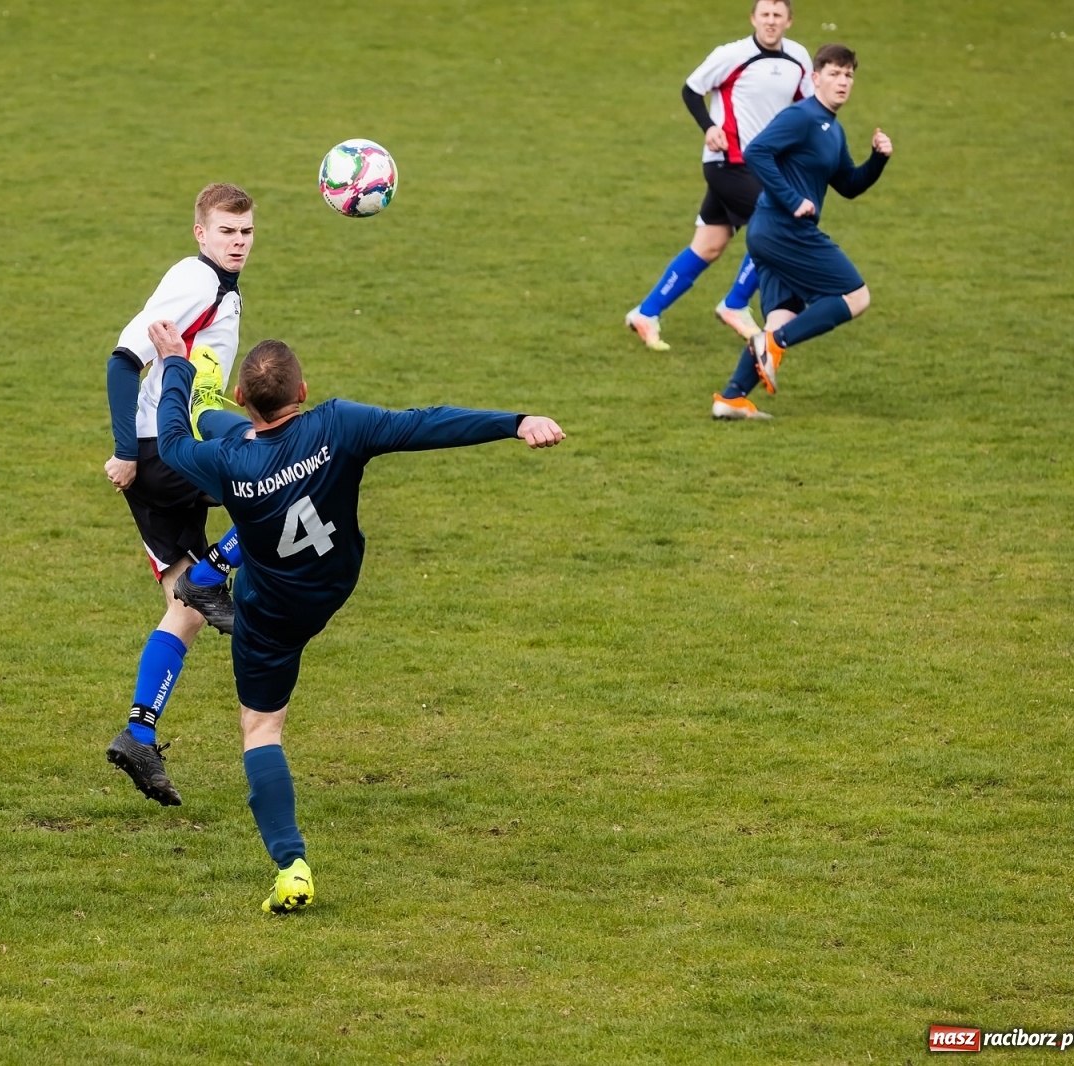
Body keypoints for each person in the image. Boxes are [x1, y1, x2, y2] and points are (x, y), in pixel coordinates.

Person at [149, 322, 565, 913]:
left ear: (247, 397)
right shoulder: (339, 423)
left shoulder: (224, 465)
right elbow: (424, 423)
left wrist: (175, 367)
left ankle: (291, 865)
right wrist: (514, 421)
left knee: (261, 729)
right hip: (334, 580)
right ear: (305, 390)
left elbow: (169, 445)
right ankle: (208, 404)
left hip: (270, 615)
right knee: (225, 432)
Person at [103, 183, 260, 805]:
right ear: (201, 233)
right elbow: (123, 359)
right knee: (281, 482)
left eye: (246, 232)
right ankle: (216, 569)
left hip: (165, 450)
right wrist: (123, 449)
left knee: (185, 608)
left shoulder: (219, 284)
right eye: (226, 232)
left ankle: (139, 733)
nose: (238, 243)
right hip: (162, 450)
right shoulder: (196, 280)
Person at [710, 42, 893, 419]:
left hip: (770, 234)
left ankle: (730, 398)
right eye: (834, 73)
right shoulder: (802, 116)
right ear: (815, 78)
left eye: (848, 75)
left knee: (784, 317)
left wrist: (878, 160)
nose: (842, 82)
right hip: (783, 229)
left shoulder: (832, 130)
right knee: (856, 296)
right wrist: (793, 199)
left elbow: (849, 184)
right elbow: (758, 151)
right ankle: (771, 344)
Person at [625, 0, 812, 352]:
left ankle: (646, 313)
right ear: (753, 18)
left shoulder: (798, 59)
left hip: (765, 166)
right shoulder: (732, 54)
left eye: (777, 16)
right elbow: (691, 89)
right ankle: (735, 304)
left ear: (789, 21)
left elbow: (807, 106)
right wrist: (709, 126)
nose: (770, 22)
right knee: (778, 225)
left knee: (709, 245)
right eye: (765, 15)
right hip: (728, 161)